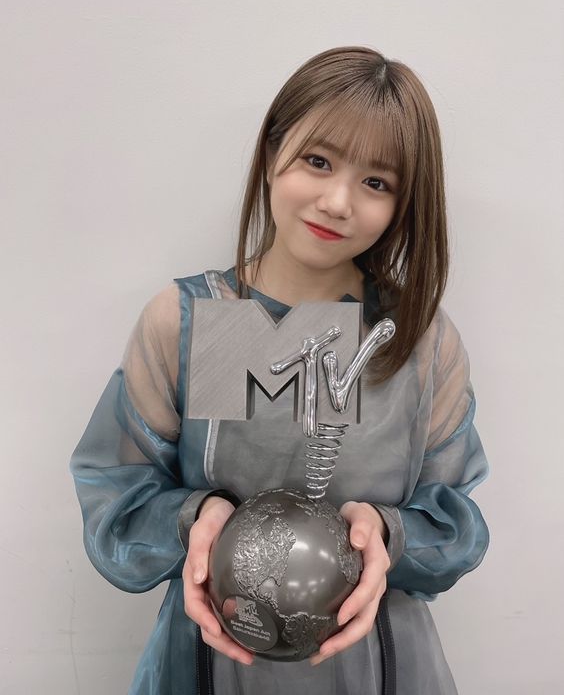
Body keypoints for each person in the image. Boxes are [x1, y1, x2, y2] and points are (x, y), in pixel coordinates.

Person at [70, 45, 490, 695]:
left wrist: (386, 533)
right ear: (272, 152)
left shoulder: (415, 338)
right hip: (210, 666)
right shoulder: (193, 320)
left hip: (379, 666)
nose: (337, 201)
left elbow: (454, 518)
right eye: (318, 161)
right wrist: (197, 518)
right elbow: (117, 497)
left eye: (377, 183)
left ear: (405, 203)